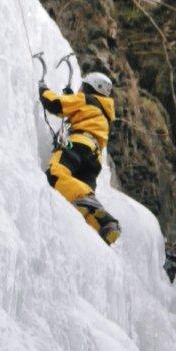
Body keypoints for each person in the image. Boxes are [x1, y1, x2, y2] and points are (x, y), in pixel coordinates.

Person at [39, 71, 121, 245]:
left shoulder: (86, 100)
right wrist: (72, 99)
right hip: (93, 160)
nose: (80, 90)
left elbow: (55, 103)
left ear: (90, 88)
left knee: (55, 175)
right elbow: (81, 115)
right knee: (78, 208)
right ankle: (104, 226)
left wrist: (42, 89)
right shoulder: (103, 112)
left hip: (78, 146)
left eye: (83, 87)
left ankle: (89, 201)